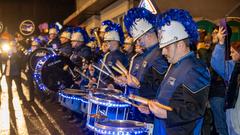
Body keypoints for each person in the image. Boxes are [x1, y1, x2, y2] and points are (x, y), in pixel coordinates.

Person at [138, 9, 210, 135]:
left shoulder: (196, 68)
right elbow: (171, 97)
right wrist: (153, 107)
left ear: (181, 44)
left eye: (167, 47)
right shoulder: (174, 64)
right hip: (162, 128)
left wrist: (166, 113)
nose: (163, 52)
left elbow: (196, 109)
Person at [123, 7, 168, 99]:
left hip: (148, 109)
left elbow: (158, 87)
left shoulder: (160, 54)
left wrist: (138, 85)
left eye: (139, 39)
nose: (138, 44)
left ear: (148, 35)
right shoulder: (146, 54)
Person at [211, 26, 240, 135]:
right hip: (233, 114)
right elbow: (216, 63)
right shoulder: (233, 67)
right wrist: (221, 43)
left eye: (233, 52)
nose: (230, 54)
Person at [97, 22, 128, 89]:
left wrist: (112, 84)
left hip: (112, 91)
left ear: (115, 41)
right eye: (106, 41)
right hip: (103, 88)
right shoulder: (107, 54)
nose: (106, 43)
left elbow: (122, 77)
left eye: (108, 41)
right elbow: (103, 73)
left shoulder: (121, 56)